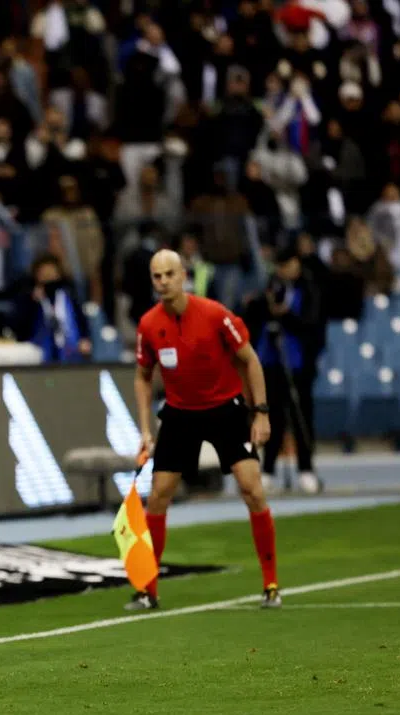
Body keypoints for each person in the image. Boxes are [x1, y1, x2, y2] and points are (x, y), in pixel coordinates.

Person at [132, 250, 281, 611]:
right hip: (180, 415)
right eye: (157, 276)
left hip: (225, 409)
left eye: (169, 274)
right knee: (158, 496)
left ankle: (271, 584)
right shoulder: (149, 325)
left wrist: (260, 413)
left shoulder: (215, 314)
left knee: (252, 489)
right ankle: (147, 590)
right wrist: (145, 428)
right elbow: (142, 375)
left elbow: (250, 359)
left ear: (184, 275)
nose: (164, 281)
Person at [242, 246, 323, 494]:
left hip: (299, 362)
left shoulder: (309, 288)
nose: (283, 270)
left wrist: (285, 315)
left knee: (301, 417)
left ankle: (306, 469)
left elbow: (311, 324)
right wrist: (261, 303)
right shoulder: (271, 287)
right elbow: (253, 316)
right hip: (271, 361)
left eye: (287, 264)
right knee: (271, 416)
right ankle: (267, 469)